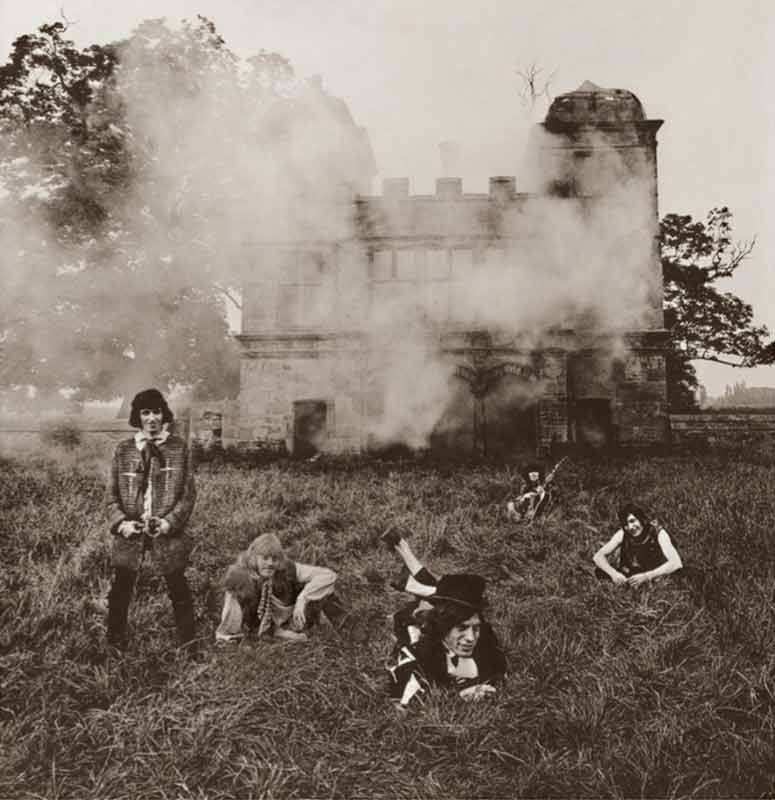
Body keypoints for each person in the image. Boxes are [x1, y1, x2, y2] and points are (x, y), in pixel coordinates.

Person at [106, 388, 197, 652]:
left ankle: (189, 644)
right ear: (138, 416)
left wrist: (168, 522)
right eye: (145, 412)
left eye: (156, 411)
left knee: (177, 584)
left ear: (164, 414)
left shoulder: (179, 449)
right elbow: (111, 495)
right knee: (121, 586)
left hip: (166, 532)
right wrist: (123, 523)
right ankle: (115, 643)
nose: (152, 418)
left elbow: (188, 495)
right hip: (130, 533)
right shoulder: (123, 450)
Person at [382, 531, 507, 707]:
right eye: (462, 629)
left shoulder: (484, 635)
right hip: (415, 616)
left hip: (438, 609)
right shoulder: (417, 649)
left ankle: (419, 580)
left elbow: (497, 668)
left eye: (475, 628)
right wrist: (459, 698)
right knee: (436, 595)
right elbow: (403, 702)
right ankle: (420, 584)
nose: (472, 638)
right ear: (442, 630)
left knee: (443, 590)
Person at [215, 533, 342, 643]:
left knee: (326, 592)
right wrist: (227, 635)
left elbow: (328, 576)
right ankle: (276, 634)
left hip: (287, 619)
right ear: (254, 558)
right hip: (256, 625)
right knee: (237, 588)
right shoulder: (241, 575)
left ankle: (341, 633)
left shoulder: (286, 568)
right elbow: (231, 610)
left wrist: (303, 598)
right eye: (265, 558)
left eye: (274, 559)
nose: (270, 563)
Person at [593, 503, 683, 586]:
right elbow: (598, 556)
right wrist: (614, 574)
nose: (630, 527)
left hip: (656, 574)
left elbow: (676, 563)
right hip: (633, 573)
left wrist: (647, 576)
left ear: (641, 519)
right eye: (626, 524)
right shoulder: (623, 533)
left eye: (632, 521)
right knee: (600, 571)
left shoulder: (658, 532)